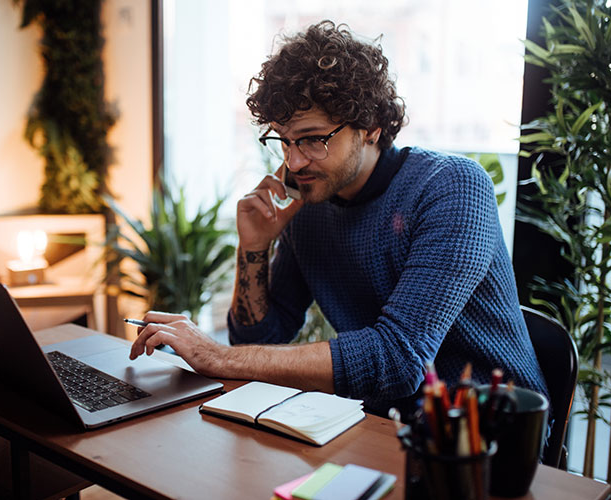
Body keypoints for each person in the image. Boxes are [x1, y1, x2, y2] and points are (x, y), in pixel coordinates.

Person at [129, 20, 548, 417]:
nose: (293, 161)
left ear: (370, 126)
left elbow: (398, 359)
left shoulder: (451, 187)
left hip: (494, 432)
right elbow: (259, 341)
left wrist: (216, 354)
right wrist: (254, 246)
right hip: (379, 423)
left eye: (312, 139)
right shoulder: (308, 204)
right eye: (284, 141)